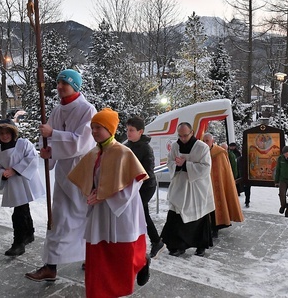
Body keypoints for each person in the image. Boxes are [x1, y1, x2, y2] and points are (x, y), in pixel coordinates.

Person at [68, 108, 150, 298]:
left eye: (99, 127)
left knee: (120, 252)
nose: (94, 131)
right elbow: (86, 179)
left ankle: (118, 286)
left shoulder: (123, 152)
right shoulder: (94, 153)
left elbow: (134, 183)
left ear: (110, 129)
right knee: (99, 252)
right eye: (93, 127)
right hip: (100, 209)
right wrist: (90, 193)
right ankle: (98, 291)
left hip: (120, 210)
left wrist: (105, 195)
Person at [25, 69, 96, 282]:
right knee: (59, 220)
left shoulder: (87, 110)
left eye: (63, 83)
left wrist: (53, 135)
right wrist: (48, 152)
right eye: (57, 83)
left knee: (84, 219)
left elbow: (83, 142)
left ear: (75, 85)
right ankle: (51, 266)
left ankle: (88, 257)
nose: (59, 87)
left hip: (82, 172)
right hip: (64, 175)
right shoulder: (57, 110)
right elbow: (47, 138)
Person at [0, 119, 45, 257]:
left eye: (7, 132)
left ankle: (19, 243)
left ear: (13, 133)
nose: (5, 136)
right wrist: (2, 173)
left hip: (25, 180)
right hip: (13, 185)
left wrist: (15, 170)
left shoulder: (23, 144)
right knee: (22, 208)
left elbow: (32, 157)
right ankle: (29, 234)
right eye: (1, 133)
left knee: (19, 212)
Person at [160, 122, 215, 257]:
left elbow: (206, 168)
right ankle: (176, 246)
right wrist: (176, 165)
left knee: (199, 217)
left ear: (192, 132)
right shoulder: (175, 146)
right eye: (180, 135)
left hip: (196, 187)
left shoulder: (202, 147)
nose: (183, 138)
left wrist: (186, 164)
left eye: (186, 135)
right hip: (180, 185)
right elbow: (170, 162)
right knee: (175, 216)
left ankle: (201, 245)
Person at [125, 116, 166, 259]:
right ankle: (154, 242)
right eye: (127, 130)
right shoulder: (128, 145)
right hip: (133, 186)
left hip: (145, 186)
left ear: (140, 131)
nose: (128, 133)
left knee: (140, 213)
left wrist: (134, 179)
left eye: (131, 130)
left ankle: (154, 242)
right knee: (141, 213)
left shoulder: (146, 148)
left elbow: (147, 172)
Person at [204, 134, 244, 238]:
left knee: (218, 205)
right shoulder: (201, 152)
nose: (205, 142)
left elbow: (224, 170)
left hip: (217, 185)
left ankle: (216, 228)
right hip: (205, 185)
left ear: (212, 141)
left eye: (207, 140)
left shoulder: (220, 153)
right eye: (203, 140)